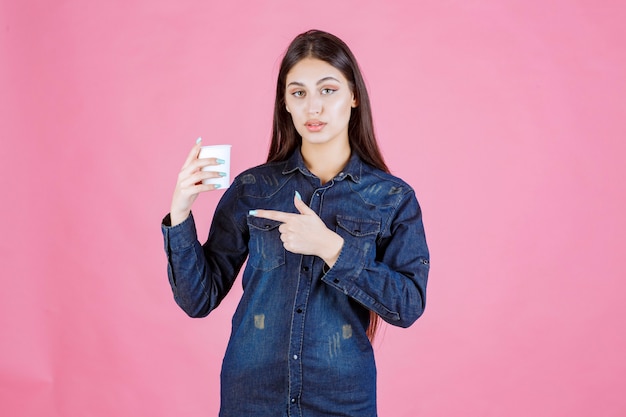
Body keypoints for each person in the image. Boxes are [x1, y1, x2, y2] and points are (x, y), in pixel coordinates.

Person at [161, 29, 430, 417]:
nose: (313, 108)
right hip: (251, 399)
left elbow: (407, 305)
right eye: (298, 93)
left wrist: (332, 248)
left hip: (342, 400)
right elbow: (198, 299)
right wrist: (181, 211)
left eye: (328, 90)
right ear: (285, 103)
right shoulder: (253, 189)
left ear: (353, 96)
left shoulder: (391, 198)